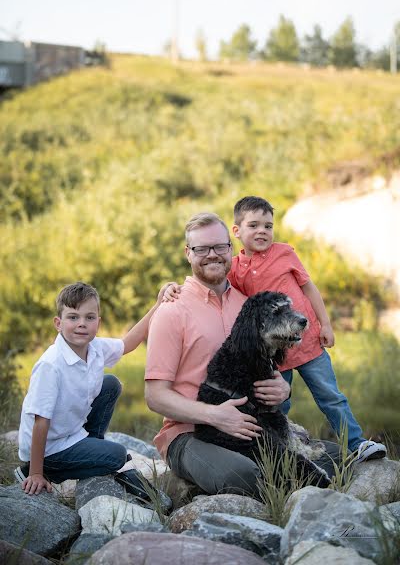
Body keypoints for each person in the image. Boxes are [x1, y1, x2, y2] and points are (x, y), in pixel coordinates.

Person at [145, 212, 339, 497]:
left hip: (252, 423)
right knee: (243, 475)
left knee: (338, 455)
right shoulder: (172, 310)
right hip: (188, 433)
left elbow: (266, 363)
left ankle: (287, 483)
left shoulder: (248, 305)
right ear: (188, 253)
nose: (212, 255)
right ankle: (184, 486)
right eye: (201, 248)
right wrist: (216, 416)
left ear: (230, 248)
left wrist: (282, 388)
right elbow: (155, 396)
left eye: (219, 247)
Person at [228, 195, 386, 462]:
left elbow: (308, 288)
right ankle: (279, 451)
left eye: (268, 226)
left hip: (309, 343)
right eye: (254, 225)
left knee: (330, 396)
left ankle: (357, 444)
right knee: (278, 403)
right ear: (237, 231)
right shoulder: (235, 269)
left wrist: (325, 324)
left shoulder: (284, 253)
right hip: (274, 353)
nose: (262, 231)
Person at [16, 281, 172, 502]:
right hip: (50, 449)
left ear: (98, 322)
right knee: (118, 454)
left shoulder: (95, 348)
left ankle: (92, 446)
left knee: (110, 384)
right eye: (73, 317)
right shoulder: (51, 366)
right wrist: (36, 473)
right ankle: (46, 470)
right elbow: (40, 421)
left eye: (89, 318)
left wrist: (158, 305)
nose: (82, 324)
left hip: (72, 433)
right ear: (58, 323)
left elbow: (128, 344)